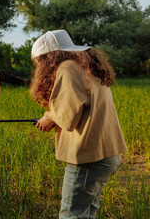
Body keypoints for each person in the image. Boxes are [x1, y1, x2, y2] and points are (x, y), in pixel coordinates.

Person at [30, 29, 127, 219]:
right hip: (107, 154)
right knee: (87, 212)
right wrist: (51, 115)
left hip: (89, 158)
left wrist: (49, 118)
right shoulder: (86, 65)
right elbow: (78, 106)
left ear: (48, 58)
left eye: (39, 62)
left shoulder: (67, 68)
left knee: (71, 214)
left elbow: (67, 116)